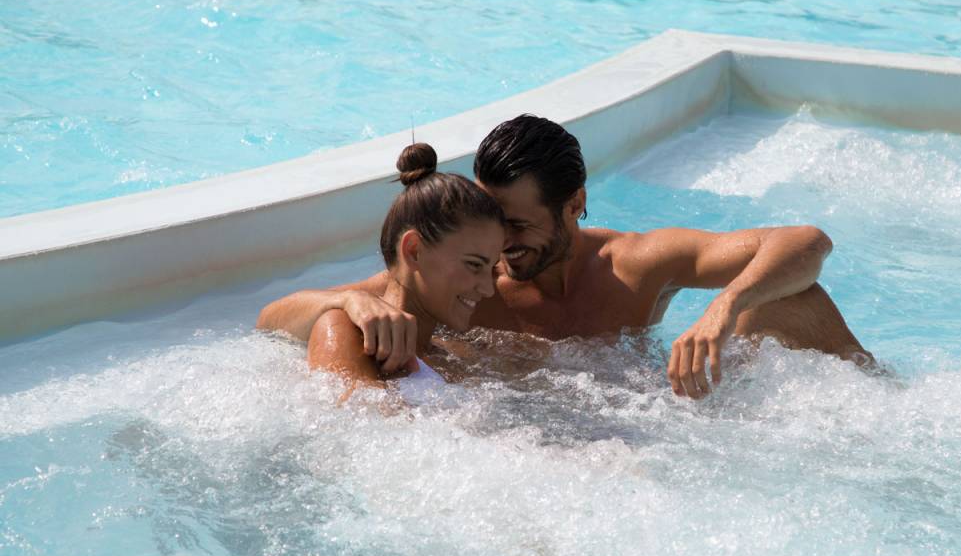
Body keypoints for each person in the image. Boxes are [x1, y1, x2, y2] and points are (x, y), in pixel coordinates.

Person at [258, 115, 870, 399]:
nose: (501, 248)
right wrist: (347, 299)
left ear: (574, 203)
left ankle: (879, 408)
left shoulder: (635, 264)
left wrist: (727, 304)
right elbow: (275, 319)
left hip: (643, 411)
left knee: (792, 297)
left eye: (518, 226)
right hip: (532, 434)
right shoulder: (468, 281)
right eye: (492, 226)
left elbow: (806, 242)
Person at [304, 142, 504, 397]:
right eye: (474, 265)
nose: (488, 289)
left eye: (492, 267)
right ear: (413, 251)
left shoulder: (458, 355)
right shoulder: (344, 331)